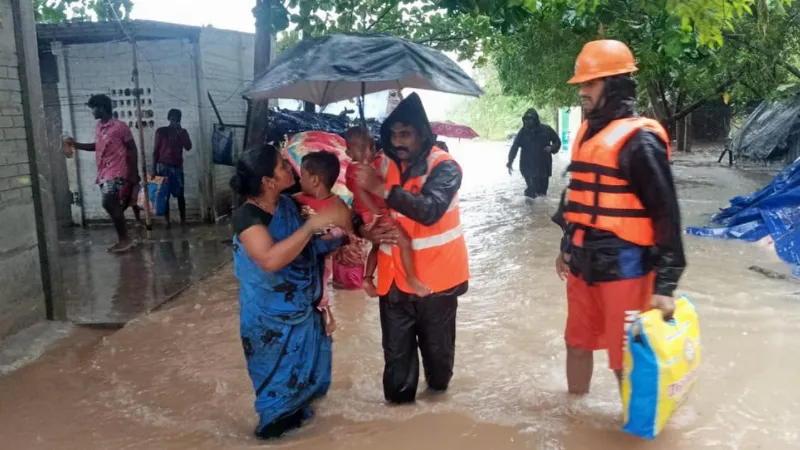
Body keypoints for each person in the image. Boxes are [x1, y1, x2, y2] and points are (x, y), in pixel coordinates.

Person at [552, 40, 686, 395]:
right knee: (576, 342)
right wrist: (566, 246)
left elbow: (666, 214)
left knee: (624, 359)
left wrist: (665, 286)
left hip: (625, 265)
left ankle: (635, 429)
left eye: (590, 83)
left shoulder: (640, 141)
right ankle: (574, 418)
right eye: (582, 84)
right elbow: (577, 201)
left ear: (615, 85)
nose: (582, 91)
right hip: (582, 260)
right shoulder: (586, 134)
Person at [354, 93, 469, 404]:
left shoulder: (445, 168)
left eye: (404, 134)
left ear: (422, 134)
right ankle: (400, 424)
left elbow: (429, 211)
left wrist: (381, 189)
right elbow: (357, 210)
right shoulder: (379, 163)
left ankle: (435, 414)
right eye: (392, 134)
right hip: (392, 283)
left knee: (439, 369)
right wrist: (366, 228)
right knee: (397, 372)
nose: (397, 141)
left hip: (436, 284)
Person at [231, 145, 348, 439]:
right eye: (282, 165)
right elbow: (270, 260)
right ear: (267, 181)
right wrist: (311, 227)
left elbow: (305, 250)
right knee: (275, 411)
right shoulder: (247, 217)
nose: (290, 168)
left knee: (304, 405)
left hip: (305, 315)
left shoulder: (289, 206)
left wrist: (339, 236)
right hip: (269, 324)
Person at [344, 126, 431, 298]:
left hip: (371, 214)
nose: (369, 152)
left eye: (372, 146)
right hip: (375, 213)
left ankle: (368, 278)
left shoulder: (368, 165)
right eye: (362, 149)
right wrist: (376, 212)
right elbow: (360, 192)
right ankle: (412, 278)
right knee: (404, 242)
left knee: (377, 245)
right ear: (348, 152)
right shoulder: (357, 170)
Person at [64, 94, 139, 252]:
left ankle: (125, 239)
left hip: (117, 171)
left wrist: (133, 173)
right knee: (112, 205)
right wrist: (76, 145)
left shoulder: (120, 127)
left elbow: (132, 149)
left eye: (94, 108)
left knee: (108, 203)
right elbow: (97, 146)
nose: (92, 112)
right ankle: (125, 238)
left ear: (102, 108)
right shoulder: (99, 127)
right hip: (104, 172)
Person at [294, 150, 353, 336]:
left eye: (302, 175)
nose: (299, 179)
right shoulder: (294, 200)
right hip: (300, 256)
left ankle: (326, 316)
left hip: (322, 257)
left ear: (315, 180)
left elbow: (350, 235)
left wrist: (330, 236)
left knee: (320, 286)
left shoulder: (339, 207)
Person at [507, 108, 562, 198]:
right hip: (528, 166)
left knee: (542, 193)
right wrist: (510, 161)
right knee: (532, 189)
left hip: (543, 166)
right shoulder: (523, 132)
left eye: (530, 119)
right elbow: (515, 147)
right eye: (525, 119)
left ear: (535, 119)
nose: (527, 121)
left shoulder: (546, 130)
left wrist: (551, 148)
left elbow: (557, 141)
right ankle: (529, 205)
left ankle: (540, 210)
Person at [153, 108, 193, 227]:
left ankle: (183, 220)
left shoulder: (182, 132)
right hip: (163, 167)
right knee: (165, 195)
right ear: (168, 118)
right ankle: (167, 221)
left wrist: (180, 130)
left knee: (180, 195)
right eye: (171, 118)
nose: (173, 120)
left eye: (175, 118)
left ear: (179, 120)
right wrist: (154, 168)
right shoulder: (161, 131)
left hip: (177, 167)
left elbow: (188, 147)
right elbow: (155, 151)